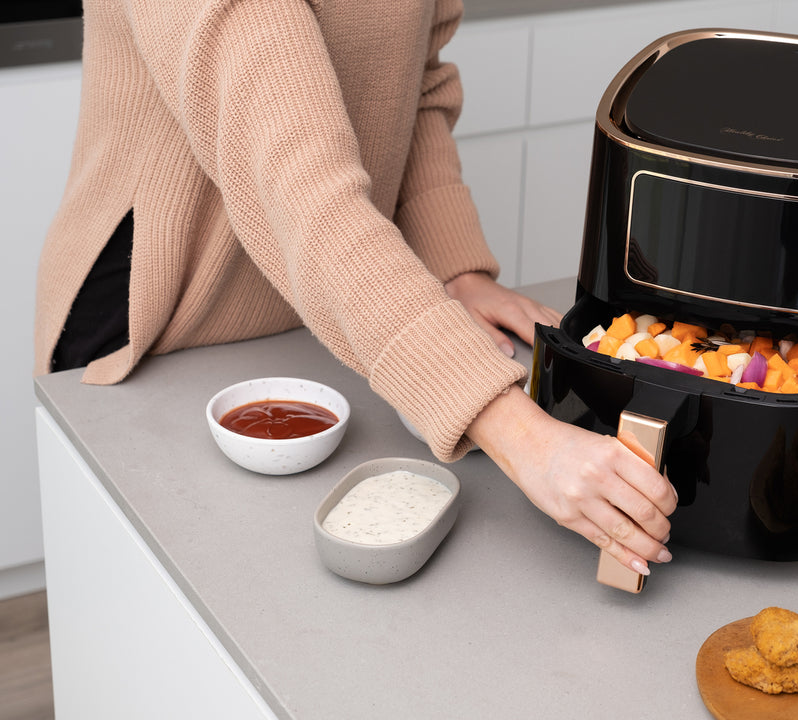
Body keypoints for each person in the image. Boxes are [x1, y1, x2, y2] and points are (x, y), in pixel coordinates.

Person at [33, 0, 676, 576]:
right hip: (160, 328)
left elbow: (410, 85)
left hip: (324, 319)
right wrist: (522, 436)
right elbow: (303, 190)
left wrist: (457, 270)